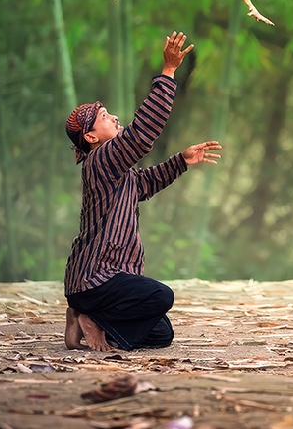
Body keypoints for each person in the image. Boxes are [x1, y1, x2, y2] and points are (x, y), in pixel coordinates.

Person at [63, 31, 222, 351]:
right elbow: (143, 132)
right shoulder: (101, 159)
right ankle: (90, 313)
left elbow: (144, 183)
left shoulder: (116, 170)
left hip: (103, 281)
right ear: (92, 137)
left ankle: (87, 318)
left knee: (162, 333)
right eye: (105, 118)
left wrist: (182, 161)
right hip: (96, 279)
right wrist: (167, 72)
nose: (114, 117)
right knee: (162, 296)